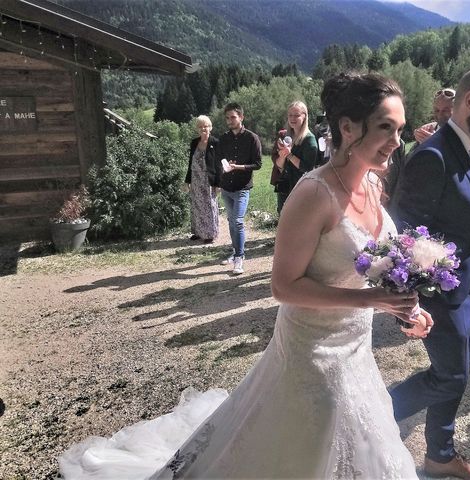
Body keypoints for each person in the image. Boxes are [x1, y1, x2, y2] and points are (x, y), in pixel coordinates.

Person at [57, 72, 432, 479]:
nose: (398, 140)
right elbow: (283, 287)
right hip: (313, 355)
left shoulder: (374, 185)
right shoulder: (313, 194)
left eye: (399, 129)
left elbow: (367, 264)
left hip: (357, 346)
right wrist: (370, 301)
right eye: (385, 128)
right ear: (347, 127)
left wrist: (400, 306)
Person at [389, 65, 470, 480]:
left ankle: (439, 456)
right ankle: (371, 414)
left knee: (454, 377)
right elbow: (404, 236)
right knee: (451, 377)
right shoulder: (432, 156)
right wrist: (411, 305)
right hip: (440, 298)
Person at [217, 102, 262, 275]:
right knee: (231, 221)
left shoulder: (252, 138)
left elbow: (258, 164)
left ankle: (240, 257)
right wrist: (224, 166)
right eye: (227, 118)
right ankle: (235, 251)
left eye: (233, 117)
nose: (230, 120)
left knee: (238, 221)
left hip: (242, 187)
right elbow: (220, 159)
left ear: (241, 117)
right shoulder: (223, 138)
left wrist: (239, 167)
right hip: (226, 186)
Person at [271, 100, 319, 214]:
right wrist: (282, 156)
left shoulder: (309, 140)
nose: (292, 118)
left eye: (296, 115)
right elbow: (278, 165)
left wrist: (290, 155)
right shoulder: (284, 136)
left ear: (304, 116)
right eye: (290, 115)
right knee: (282, 221)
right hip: (284, 187)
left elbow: (307, 168)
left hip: (300, 189)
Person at [185, 115, 220, 245]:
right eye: (200, 126)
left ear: (210, 127)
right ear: (197, 129)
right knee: (196, 206)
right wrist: (187, 180)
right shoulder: (194, 142)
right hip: (196, 178)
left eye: (205, 126)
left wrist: (218, 183)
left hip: (209, 179)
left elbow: (218, 165)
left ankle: (210, 234)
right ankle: (198, 232)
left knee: (209, 206)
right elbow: (190, 162)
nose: (203, 129)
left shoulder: (215, 142)